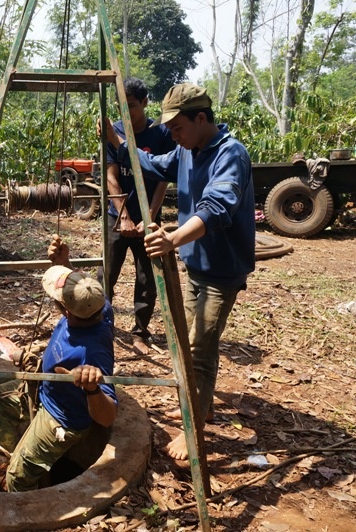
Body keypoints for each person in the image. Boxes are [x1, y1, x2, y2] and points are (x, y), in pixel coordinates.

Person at [102, 83, 255, 461]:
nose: (172, 135)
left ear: (201, 119)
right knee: (190, 342)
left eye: (177, 128)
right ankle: (200, 406)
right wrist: (117, 141)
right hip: (196, 266)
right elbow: (151, 163)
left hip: (222, 271)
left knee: (200, 348)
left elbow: (217, 206)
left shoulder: (229, 154)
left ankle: (193, 430)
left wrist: (172, 238)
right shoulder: (187, 150)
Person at [0, 236, 118, 492]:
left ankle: (21, 500)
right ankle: (12, 458)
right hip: (46, 392)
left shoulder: (91, 353)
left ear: (65, 311)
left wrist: (92, 388)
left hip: (61, 418)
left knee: (17, 480)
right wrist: (63, 263)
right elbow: (82, 293)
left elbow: (107, 416)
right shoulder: (99, 307)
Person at [101, 78, 176, 356]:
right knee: (106, 274)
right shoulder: (113, 132)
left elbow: (162, 180)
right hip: (116, 217)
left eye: (131, 106)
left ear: (145, 103)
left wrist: (150, 215)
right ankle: (101, 326)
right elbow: (110, 175)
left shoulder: (160, 135)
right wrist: (122, 216)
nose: (126, 112)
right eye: (122, 106)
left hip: (148, 218)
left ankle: (140, 332)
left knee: (147, 278)